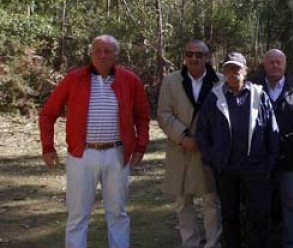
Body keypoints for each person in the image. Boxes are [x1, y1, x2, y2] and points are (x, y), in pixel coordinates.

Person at [39, 35, 151, 248]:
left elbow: (142, 116)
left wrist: (140, 145)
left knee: (117, 212)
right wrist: (47, 146)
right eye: (97, 51)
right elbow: (48, 113)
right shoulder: (74, 79)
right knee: (78, 214)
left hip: (117, 154)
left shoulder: (130, 80)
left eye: (107, 51)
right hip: (82, 155)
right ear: (90, 53)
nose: (101, 55)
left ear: (116, 55)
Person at [196, 52, 280, 248]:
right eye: (228, 69)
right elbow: (203, 131)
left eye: (237, 68)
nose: (232, 72)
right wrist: (211, 158)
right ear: (224, 72)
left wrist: (270, 162)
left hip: (256, 168)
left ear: (245, 70)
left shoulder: (260, 96)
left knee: (259, 216)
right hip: (226, 168)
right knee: (229, 216)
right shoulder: (214, 97)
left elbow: (272, 131)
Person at [157, 40, 223, 248]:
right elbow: (164, 113)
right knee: (183, 200)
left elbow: (224, 115)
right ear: (184, 57)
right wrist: (183, 137)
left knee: (211, 200)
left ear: (207, 57)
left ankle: (213, 243)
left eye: (199, 54)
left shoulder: (220, 81)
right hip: (180, 148)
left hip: (208, 149)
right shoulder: (171, 81)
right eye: (189, 54)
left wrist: (206, 141)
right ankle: (190, 243)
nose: (194, 58)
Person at [252, 49, 293, 248]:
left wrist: (289, 144)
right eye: (271, 62)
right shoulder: (252, 89)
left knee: (292, 207)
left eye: (279, 62)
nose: (275, 65)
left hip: (289, 161)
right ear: (265, 64)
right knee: (261, 208)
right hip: (260, 161)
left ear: (285, 65)